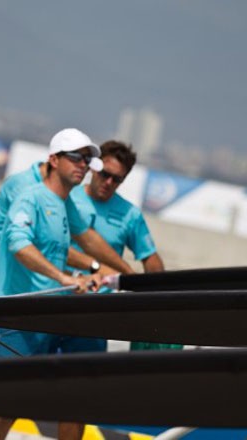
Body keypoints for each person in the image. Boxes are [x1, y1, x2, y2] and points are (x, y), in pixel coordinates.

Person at [0, 129, 134, 440]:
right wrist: (64, 278)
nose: (85, 165)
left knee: (6, 398)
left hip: (29, 310)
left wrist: (125, 275)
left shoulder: (60, 200)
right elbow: (20, 243)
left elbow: (82, 241)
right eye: (77, 157)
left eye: (88, 160)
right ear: (54, 159)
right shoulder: (28, 191)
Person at [69, 140, 180, 353]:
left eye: (117, 179)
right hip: (54, 300)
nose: (109, 182)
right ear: (94, 168)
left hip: (95, 314)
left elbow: (150, 259)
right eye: (105, 174)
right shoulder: (68, 197)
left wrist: (159, 296)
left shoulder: (130, 214)